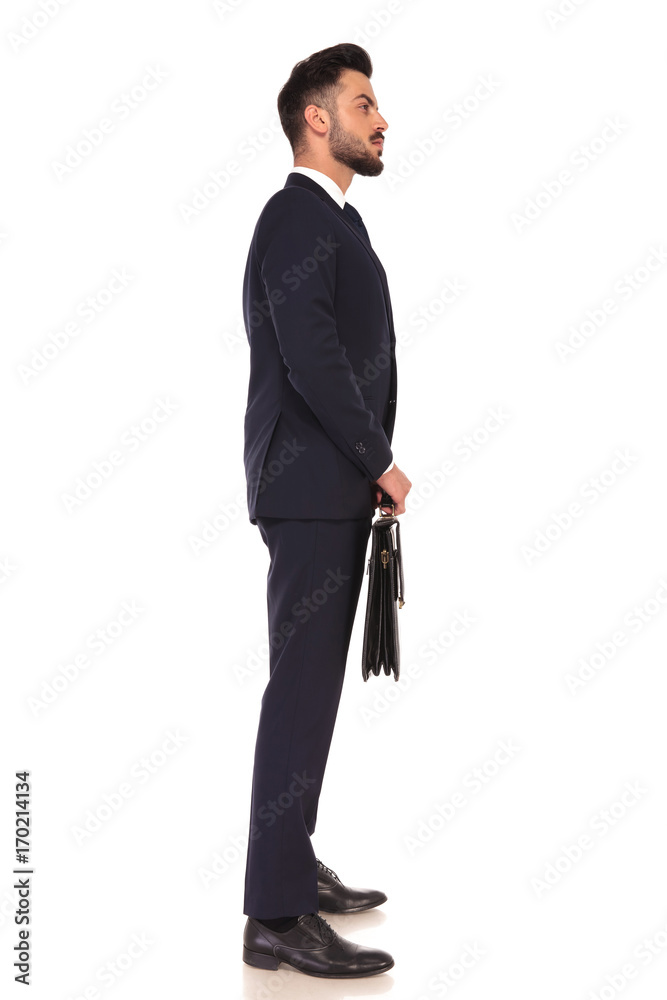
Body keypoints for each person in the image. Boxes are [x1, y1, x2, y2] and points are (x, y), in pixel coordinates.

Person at [240, 41, 411, 979]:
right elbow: (311, 356)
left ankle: (289, 859)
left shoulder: (329, 220)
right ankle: (273, 914)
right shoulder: (296, 215)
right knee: (298, 696)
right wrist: (381, 461)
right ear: (318, 118)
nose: (380, 120)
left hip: (322, 489)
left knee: (309, 695)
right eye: (364, 104)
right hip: (311, 489)